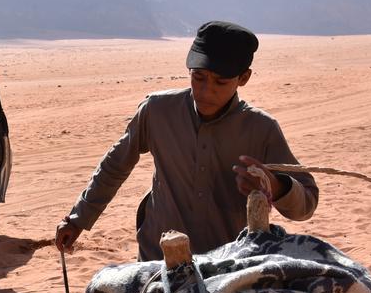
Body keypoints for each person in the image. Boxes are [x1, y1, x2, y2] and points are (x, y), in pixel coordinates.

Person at [55, 21, 318, 261]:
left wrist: (275, 184)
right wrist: (79, 219)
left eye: (220, 82)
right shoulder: (157, 110)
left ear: (244, 78)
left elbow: (306, 204)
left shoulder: (261, 128)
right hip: (157, 259)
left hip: (227, 266)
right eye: (198, 77)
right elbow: (115, 165)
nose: (205, 91)